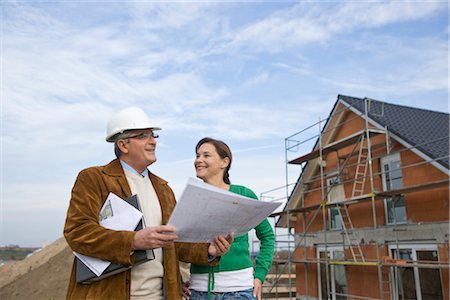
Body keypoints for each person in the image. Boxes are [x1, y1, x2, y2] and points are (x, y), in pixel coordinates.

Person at [64, 108, 233, 300]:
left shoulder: (163, 189)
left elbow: (175, 241)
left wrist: (208, 250)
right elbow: (77, 232)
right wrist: (133, 241)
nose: (153, 141)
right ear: (123, 145)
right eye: (143, 136)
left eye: (153, 135)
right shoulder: (94, 179)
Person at [186, 137, 275, 300]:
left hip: (239, 291)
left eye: (206, 155)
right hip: (198, 291)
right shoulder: (191, 199)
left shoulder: (244, 195)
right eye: (197, 155)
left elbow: (267, 236)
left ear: (224, 162)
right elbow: (180, 245)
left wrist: (260, 275)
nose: (199, 160)